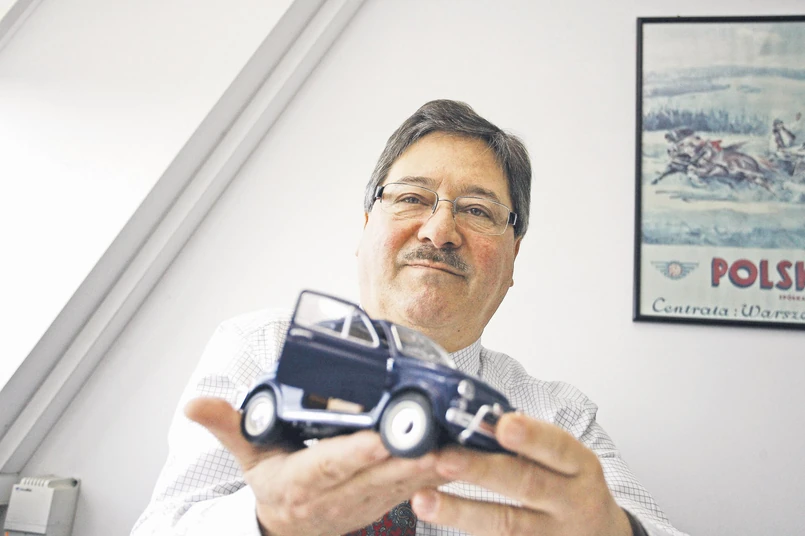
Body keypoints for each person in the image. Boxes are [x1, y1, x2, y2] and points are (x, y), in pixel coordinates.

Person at [131, 100, 688, 536]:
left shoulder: (558, 420)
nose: (439, 231)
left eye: (477, 210)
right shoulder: (262, 348)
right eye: (412, 198)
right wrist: (266, 522)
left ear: (514, 257)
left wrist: (615, 533)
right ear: (366, 228)